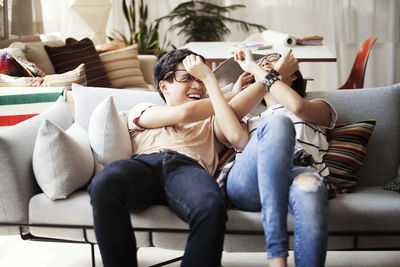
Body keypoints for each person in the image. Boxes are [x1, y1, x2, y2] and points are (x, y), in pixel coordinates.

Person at [88, 48, 250, 267]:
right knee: (104, 183)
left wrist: (223, 87)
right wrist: (229, 93)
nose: (197, 85)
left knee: (211, 207)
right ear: (164, 86)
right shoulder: (144, 109)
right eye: (187, 77)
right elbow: (183, 113)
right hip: (145, 164)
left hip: (190, 170)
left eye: (200, 78)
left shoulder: (215, 117)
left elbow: (236, 132)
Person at [224, 49, 337, 267]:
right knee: (277, 124)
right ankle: (276, 254)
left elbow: (297, 107)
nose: (266, 65)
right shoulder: (250, 117)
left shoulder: (319, 107)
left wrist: (257, 69)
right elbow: (227, 117)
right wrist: (260, 74)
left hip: (298, 173)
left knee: (310, 187)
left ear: (293, 73)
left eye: (273, 63)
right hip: (249, 183)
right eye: (262, 63)